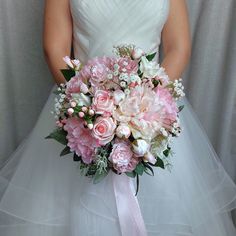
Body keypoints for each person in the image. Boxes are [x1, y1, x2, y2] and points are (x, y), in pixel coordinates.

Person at [0, 0, 236, 235]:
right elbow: (55, 49)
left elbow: (178, 47)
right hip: (82, 111)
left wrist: (147, 103)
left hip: (150, 112)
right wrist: (90, 106)